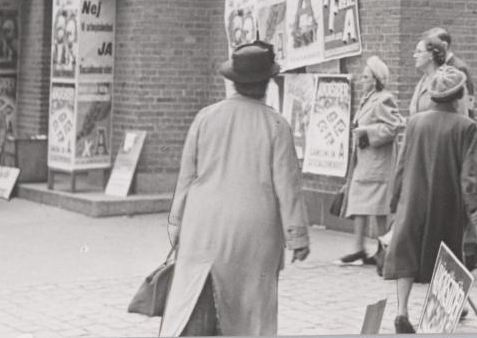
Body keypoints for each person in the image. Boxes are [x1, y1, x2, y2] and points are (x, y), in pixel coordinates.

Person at [159, 41, 310, 337]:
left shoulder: (205, 117)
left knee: (194, 301)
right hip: (255, 233)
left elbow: (186, 177)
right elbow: (287, 188)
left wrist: (176, 223)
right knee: (252, 309)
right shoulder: (276, 126)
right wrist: (297, 236)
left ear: (233, 81)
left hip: (202, 227)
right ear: (267, 82)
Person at [383, 66, 477, 334]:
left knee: (407, 254)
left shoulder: (415, 122)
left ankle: (402, 311)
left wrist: (395, 199)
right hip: (446, 202)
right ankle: (440, 317)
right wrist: (474, 203)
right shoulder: (466, 126)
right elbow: (470, 170)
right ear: (458, 96)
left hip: (413, 199)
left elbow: (402, 164)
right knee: (448, 255)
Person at [424, 26, 477, 271]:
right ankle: (473, 249)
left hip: (458, 137)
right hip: (451, 135)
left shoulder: (457, 69)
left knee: (464, 197)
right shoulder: (439, 71)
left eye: (434, 45)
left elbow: (466, 104)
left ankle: (474, 250)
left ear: (445, 45)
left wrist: (462, 129)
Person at [338, 56, 405, 265]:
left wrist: (366, 132)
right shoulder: (368, 98)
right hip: (364, 162)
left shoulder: (384, 98)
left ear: (376, 79)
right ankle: (359, 248)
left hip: (377, 163)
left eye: (366, 76)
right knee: (358, 203)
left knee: (378, 209)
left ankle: (382, 250)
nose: (362, 79)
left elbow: (394, 126)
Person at [408, 35, 468, 117]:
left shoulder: (450, 79)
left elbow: (461, 115)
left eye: (419, 51)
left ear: (431, 55)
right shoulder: (422, 82)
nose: (414, 56)